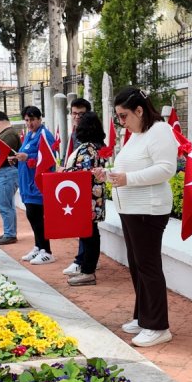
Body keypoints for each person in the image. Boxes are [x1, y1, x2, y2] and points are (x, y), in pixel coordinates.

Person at [107, 87, 177, 348]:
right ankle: (143, 316)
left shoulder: (159, 130)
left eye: (124, 116)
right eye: (118, 117)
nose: (121, 122)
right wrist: (110, 174)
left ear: (139, 110)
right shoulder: (137, 135)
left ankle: (158, 326)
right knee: (137, 264)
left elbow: (166, 169)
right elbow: (130, 167)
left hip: (148, 209)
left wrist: (127, 179)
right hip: (130, 209)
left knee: (148, 266)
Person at [61, 112, 109, 286]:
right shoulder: (97, 147)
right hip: (92, 198)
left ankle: (88, 271)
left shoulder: (87, 148)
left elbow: (82, 174)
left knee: (89, 235)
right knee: (90, 234)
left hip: (86, 199)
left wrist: (64, 173)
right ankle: (86, 269)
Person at [14, 106, 58, 264]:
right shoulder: (29, 135)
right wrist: (18, 157)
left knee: (37, 217)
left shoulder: (45, 135)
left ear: (40, 119)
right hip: (27, 183)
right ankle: (39, 247)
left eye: (32, 119)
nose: (30, 123)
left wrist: (28, 156)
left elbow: (50, 157)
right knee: (32, 216)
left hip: (38, 184)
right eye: (27, 120)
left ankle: (47, 251)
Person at [0, 111, 23, 245]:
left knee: (5, 206)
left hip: (5, 174)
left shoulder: (9, 134)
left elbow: (2, 154)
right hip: (4, 174)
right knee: (7, 205)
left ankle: (10, 234)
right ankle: (8, 232)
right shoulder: (7, 134)